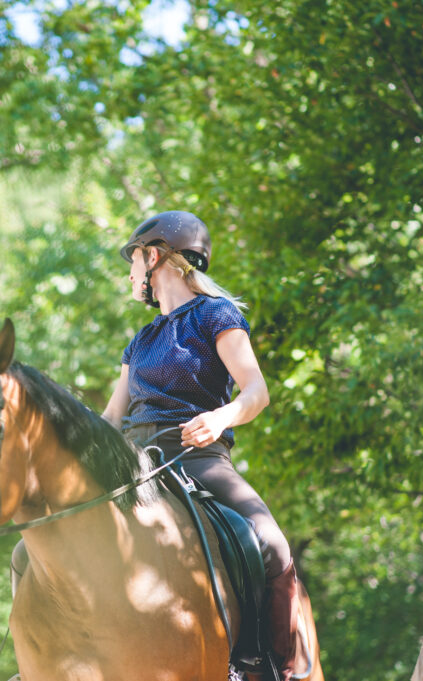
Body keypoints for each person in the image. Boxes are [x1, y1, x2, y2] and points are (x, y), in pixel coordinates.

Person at [101, 210, 301, 680]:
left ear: (154, 256)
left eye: (133, 260)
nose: (130, 273)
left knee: (271, 544)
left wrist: (221, 417)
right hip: (133, 464)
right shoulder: (141, 340)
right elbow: (111, 418)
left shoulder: (216, 315)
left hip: (197, 457)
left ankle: (271, 664)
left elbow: (256, 391)